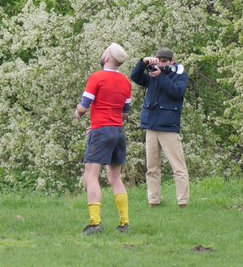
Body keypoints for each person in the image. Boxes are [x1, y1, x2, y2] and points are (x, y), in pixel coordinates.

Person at [75, 43, 134, 235]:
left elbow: (84, 107)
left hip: (101, 131)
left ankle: (95, 223)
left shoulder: (97, 77)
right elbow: (125, 113)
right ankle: (124, 223)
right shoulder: (126, 82)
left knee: (91, 175)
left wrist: (78, 113)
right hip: (118, 132)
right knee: (115, 178)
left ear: (107, 58)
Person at [130, 48, 190, 208]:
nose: (161, 63)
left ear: (172, 62)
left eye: (164, 61)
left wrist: (161, 76)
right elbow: (135, 76)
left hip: (169, 127)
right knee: (152, 168)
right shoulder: (152, 73)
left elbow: (177, 92)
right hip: (151, 126)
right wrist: (143, 62)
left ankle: (183, 202)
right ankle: (154, 201)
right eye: (159, 60)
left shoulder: (180, 74)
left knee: (178, 168)